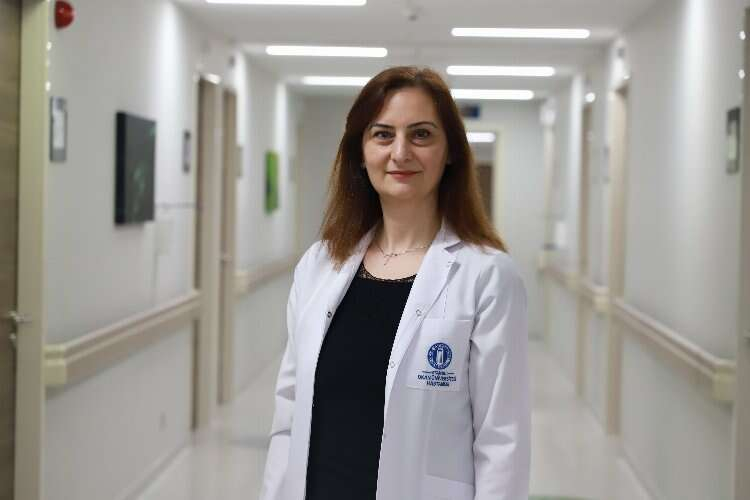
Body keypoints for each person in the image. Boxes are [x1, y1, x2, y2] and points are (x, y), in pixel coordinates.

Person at [259, 66, 530, 500]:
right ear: (360, 151)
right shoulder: (319, 265)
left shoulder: (487, 276)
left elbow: (501, 440)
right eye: (382, 135)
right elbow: (289, 413)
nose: (400, 152)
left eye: (421, 135)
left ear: (450, 152)